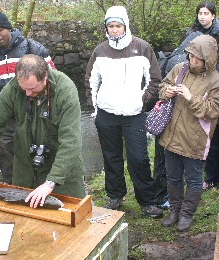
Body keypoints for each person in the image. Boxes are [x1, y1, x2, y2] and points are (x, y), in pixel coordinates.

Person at [0, 54, 86, 207]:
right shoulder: (13, 88)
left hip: (63, 172)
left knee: (71, 219)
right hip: (25, 171)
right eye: (24, 89)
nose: (27, 93)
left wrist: (51, 182)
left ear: (45, 77)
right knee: (24, 223)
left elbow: (71, 142)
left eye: (32, 88)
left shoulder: (65, 90)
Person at [85, 6, 163, 218]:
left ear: (125, 25)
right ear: (106, 28)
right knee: (111, 157)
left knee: (139, 158)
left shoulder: (143, 47)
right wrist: (95, 110)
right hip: (107, 114)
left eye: (118, 25)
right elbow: (91, 82)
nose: (115, 30)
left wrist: (141, 102)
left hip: (134, 114)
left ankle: (148, 201)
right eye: (111, 26)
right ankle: (115, 196)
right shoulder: (99, 51)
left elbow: (155, 80)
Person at [0, 11, 55, 184]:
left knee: (36, 156)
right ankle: (13, 190)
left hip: (33, 113)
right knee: (7, 159)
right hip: (5, 119)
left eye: (0, 30)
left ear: (9, 28)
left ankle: (40, 189)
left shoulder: (33, 49)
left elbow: (53, 81)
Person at [160, 34, 219, 232]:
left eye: (197, 58)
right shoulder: (179, 68)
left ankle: (186, 214)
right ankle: (175, 210)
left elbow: (213, 110)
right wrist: (166, 91)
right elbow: (163, 85)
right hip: (172, 135)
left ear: (208, 59)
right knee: (173, 177)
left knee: (193, 179)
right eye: (190, 55)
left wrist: (190, 97)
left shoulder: (215, 80)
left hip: (195, 140)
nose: (192, 61)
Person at [187, 1, 219, 190]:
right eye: (200, 13)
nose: (202, 16)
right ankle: (207, 175)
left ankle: (212, 176)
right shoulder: (193, 33)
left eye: (206, 13)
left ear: (213, 15)